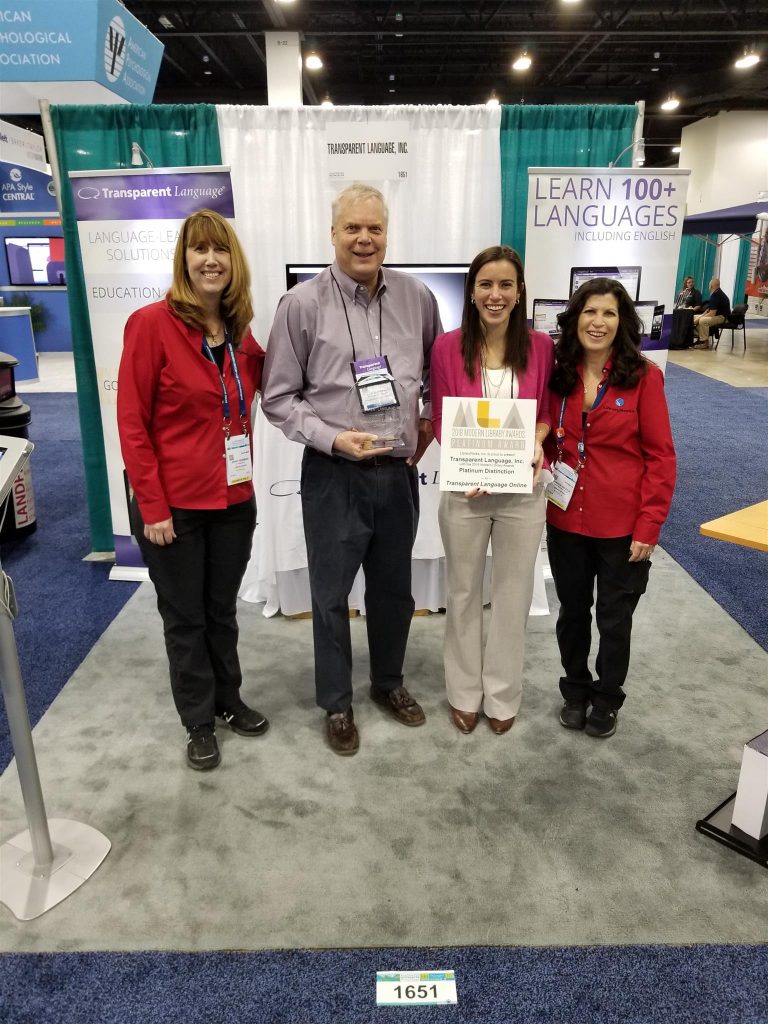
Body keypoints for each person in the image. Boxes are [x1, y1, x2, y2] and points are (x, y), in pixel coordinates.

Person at [261, 183, 442, 756]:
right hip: (332, 475)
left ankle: (388, 682)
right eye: (353, 228)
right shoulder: (301, 304)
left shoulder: (418, 298)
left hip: (396, 475)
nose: (365, 239)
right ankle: (337, 702)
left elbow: (437, 375)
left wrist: (427, 425)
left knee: (393, 591)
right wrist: (334, 439)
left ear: (387, 233)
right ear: (333, 233)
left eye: (375, 228)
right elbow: (278, 398)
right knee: (331, 595)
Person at [117, 209, 269, 771]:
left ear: (234, 262)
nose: (210, 260)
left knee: (221, 611)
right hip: (173, 506)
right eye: (199, 249)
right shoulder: (151, 324)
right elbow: (132, 423)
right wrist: (152, 506)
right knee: (185, 618)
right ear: (183, 259)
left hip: (233, 500)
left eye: (220, 250)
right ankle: (198, 720)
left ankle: (229, 700)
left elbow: (271, 386)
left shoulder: (239, 333)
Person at [544, 278, 676, 739]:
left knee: (615, 619)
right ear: (574, 319)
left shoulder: (644, 377)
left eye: (609, 313)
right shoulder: (558, 375)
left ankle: (607, 697)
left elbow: (661, 457)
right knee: (572, 612)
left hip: (622, 525)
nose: (598, 322)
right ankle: (575, 690)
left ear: (622, 323)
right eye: (590, 312)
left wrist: (649, 526)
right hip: (565, 518)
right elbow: (547, 438)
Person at [430, 245, 553, 735]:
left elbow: (547, 413)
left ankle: (502, 694)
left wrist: (538, 440)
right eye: (486, 284)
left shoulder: (541, 346)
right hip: (467, 491)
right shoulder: (447, 347)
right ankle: (463, 693)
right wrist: (469, 465)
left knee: (512, 594)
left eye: (505, 285)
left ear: (519, 292)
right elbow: (440, 416)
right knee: (462, 591)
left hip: (523, 491)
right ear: (472, 291)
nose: (495, 294)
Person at [692, 277, 730, 347]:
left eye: (709, 285)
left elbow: (712, 314)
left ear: (711, 286)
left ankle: (704, 342)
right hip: (718, 315)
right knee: (693, 317)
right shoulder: (718, 293)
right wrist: (700, 316)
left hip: (723, 317)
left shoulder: (715, 295)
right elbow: (709, 311)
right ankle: (700, 337)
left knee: (702, 321)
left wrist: (700, 318)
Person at [670, 275, 703, 349]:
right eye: (689, 282)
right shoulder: (682, 293)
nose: (691, 284)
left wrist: (691, 311)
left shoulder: (696, 293)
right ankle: (675, 340)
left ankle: (684, 341)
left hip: (691, 313)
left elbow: (698, 306)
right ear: (685, 284)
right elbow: (677, 304)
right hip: (681, 312)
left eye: (692, 282)